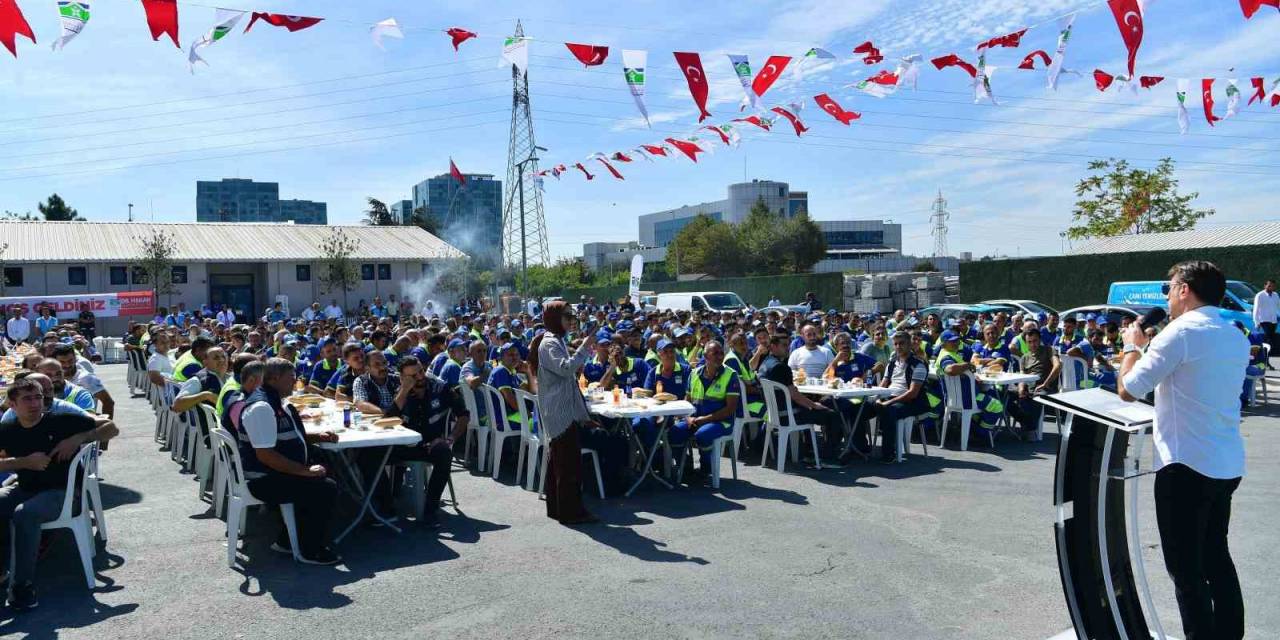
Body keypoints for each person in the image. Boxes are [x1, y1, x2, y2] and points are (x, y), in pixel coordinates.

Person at [1116, 261, 1248, 640]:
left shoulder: (1180, 333)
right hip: (1224, 462)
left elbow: (1129, 388)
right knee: (1216, 560)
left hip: (1185, 464)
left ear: (1185, 289)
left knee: (1187, 571)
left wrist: (1131, 345)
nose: (1168, 296)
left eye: (1169, 288)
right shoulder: (1233, 333)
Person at [0, 377, 119, 610]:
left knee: (26, 514)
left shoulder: (62, 420)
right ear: (12, 405)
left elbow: (111, 428)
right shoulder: (7, 429)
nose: (35, 403)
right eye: (27, 399)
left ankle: (22, 586)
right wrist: (24, 462)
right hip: (25, 487)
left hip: (62, 493)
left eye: (38, 397)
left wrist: (78, 438)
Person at [238, 358, 341, 565]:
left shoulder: (277, 401)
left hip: (277, 473)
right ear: (274, 379)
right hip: (262, 480)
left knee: (330, 468)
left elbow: (287, 435)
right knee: (324, 488)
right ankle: (309, 549)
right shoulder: (262, 407)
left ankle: (288, 540)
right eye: (291, 378)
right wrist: (304, 471)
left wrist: (318, 436)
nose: (296, 382)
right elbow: (266, 455)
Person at [359, 355, 468, 528]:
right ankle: (387, 507)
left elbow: (463, 415)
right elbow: (389, 419)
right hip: (401, 446)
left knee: (444, 453)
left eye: (421, 372)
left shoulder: (440, 388)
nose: (420, 377)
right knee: (368, 455)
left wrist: (450, 438)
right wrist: (403, 390)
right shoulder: (399, 391)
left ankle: (430, 511)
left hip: (430, 444)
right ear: (403, 378)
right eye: (413, 376)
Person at [530, 301, 597, 525]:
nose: (570, 319)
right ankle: (571, 512)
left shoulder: (556, 340)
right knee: (568, 465)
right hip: (559, 412)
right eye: (566, 315)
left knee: (560, 462)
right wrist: (585, 346)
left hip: (562, 410)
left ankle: (559, 509)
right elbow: (567, 369)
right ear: (554, 318)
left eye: (571, 315)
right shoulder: (550, 343)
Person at [870, 332, 930, 463]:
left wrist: (888, 402)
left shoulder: (918, 365)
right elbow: (883, 385)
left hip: (912, 402)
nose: (898, 346)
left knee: (888, 411)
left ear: (909, 344)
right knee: (862, 408)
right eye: (896, 344)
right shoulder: (892, 364)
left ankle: (889, 454)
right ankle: (860, 448)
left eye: (902, 343)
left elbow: (912, 393)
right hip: (890, 398)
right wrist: (877, 398)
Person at [1006, 329, 1060, 436]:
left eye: (1035, 341)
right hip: (1028, 387)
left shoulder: (1049, 350)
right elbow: (1022, 376)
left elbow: (1057, 366)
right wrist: (1021, 388)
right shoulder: (1024, 357)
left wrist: (1045, 383)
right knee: (1006, 395)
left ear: (1040, 340)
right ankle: (1028, 423)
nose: (1032, 344)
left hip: (1045, 387)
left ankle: (1029, 428)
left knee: (1037, 397)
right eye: (1029, 342)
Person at [52, 343, 114, 418]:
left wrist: (106, 425)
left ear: (75, 358)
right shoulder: (51, 379)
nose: (67, 365)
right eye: (62, 362)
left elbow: (108, 402)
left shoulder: (87, 379)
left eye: (70, 360)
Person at [1254, 279, 1278, 357]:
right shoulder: (1260, 295)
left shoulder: (1275, 295)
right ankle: (1264, 358)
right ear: (1265, 286)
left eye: (1273, 286)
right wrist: (1256, 322)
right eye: (1269, 285)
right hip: (1264, 321)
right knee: (1268, 340)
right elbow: (1256, 309)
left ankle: (1266, 358)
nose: (1271, 287)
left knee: (1271, 341)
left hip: (1273, 321)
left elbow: (1278, 306)